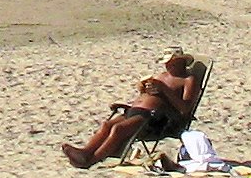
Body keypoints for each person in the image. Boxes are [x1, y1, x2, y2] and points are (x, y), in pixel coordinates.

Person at [62, 49, 208, 169]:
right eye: (166, 63)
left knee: (118, 129)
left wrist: (163, 88)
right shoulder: (161, 76)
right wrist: (142, 91)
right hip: (136, 111)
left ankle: (91, 160)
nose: (167, 66)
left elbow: (185, 108)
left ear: (181, 61)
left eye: (171, 62)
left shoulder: (188, 80)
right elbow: (148, 97)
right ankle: (85, 152)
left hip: (156, 119)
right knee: (107, 125)